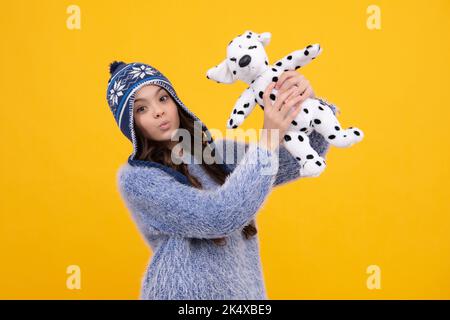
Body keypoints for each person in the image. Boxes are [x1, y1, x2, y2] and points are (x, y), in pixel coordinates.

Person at [105, 61, 338, 299]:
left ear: (175, 102)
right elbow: (218, 217)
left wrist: (306, 103)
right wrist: (268, 140)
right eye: (141, 109)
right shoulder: (138, 179)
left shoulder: (215, 153)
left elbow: (300, 159)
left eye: (162, 98)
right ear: (131, 125)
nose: (158, 111)